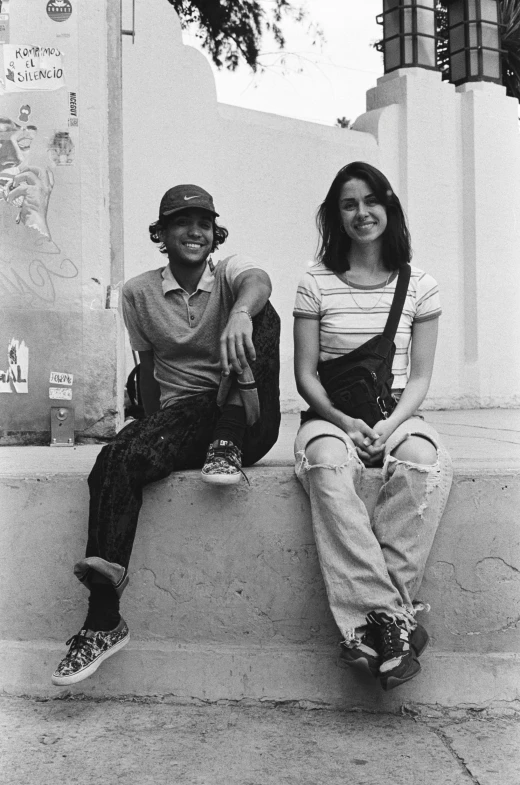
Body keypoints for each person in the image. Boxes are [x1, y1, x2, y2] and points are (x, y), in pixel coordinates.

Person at [52, 184, 280, 686]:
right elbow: (150, 371)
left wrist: (240, 312)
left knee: (264, 310)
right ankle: (103, 619)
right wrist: (146, 435)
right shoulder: (137, 293)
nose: (194, 231)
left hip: (247, 421)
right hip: (181, 421)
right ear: (162, 233)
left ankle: (227, 439)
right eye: (181, 223)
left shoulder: (230, 274)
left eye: (203, 222)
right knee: (113, 459)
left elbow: (259, 280)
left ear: (215, 232)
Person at [293, 162, 452, 692]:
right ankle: (395, 622)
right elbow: (305, 374)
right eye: (348, 204)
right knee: (325, 463)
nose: (362, 213)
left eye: (370, 201)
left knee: (421, 462)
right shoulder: (314, 282)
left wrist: (391, 424)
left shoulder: (421, 285)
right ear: (335, 215)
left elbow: (421, 376)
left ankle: (379, 625)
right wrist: (342, 420)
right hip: (330, 416)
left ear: (388, 207)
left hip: (396, 413)